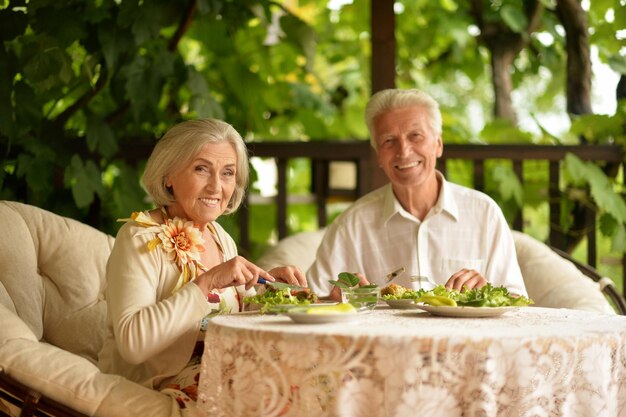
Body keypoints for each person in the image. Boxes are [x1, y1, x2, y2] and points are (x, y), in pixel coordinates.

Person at [98, 119, 306, 409]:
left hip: (218, 370)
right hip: (155, 385)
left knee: (309, 377)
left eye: (228, 173)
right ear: (168, 174)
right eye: (201, 168)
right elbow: (134, 343)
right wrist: (207, 282)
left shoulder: (218, 236)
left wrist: (270, 288)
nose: (216, 186)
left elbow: (233, 318)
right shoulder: (139, 238)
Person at [307, 89, 527, 300]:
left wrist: (486, 291)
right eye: (389, 141)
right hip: (388, 340)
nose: (403, 151)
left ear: (438, 144)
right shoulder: (352, 224)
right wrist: (334, 299)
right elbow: (314, 299)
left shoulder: (484, 212)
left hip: (466, 338)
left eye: (415, 136)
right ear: (378, 156)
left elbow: (517, 302)